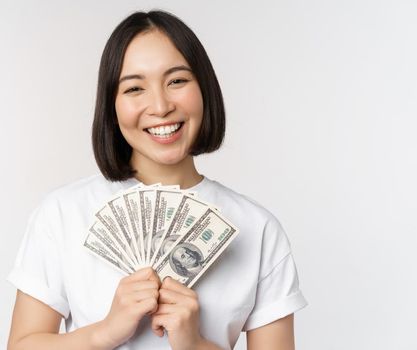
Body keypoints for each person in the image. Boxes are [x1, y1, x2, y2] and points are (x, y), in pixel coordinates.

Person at [7, 10, 307, 350]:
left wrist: (194, 345)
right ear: (112, 105)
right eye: (135, 88)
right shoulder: (62, 214)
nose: (161, 106)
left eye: (177, 81)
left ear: (204, 89)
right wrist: (105, 332)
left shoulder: (259, 229)